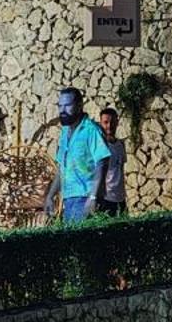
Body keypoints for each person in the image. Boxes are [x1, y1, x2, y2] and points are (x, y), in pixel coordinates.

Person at [47, 87, 112, 222]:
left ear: (79, 106)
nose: (62, 110)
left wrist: (93, 197)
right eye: (60, 106)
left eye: (67, 105)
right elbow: (62, 169)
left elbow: (102, 162)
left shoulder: (91, 130)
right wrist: (50, 196)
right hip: (69, 200)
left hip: (86, 198)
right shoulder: (65, 132)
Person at [95, 108, 128, 217]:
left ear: (117, 123)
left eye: (112, 122)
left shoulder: (120, 145)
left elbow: (120, 170)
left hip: (120, 199)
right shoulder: (98, 147)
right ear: (100, 123)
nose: (109, 126)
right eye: (106, 122)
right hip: (105, 199)